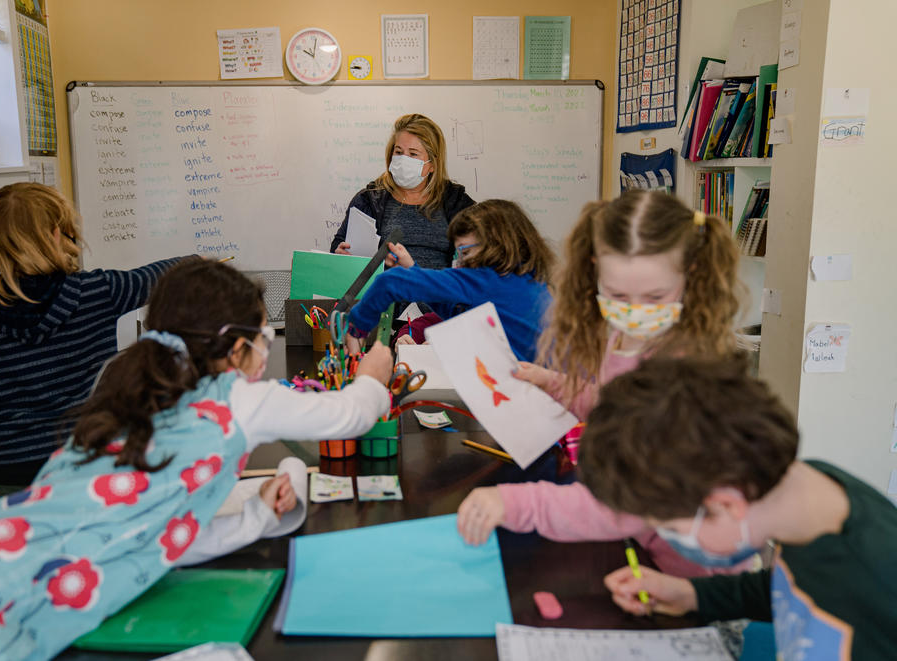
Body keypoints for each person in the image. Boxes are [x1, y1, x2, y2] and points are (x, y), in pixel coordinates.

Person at [0, 258, 393, 660]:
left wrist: (255, 517)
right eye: (264, 338)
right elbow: (350, 414)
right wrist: (374, 371)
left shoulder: (123, 377)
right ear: (240, 347)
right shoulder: (239, 401)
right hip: (17, 605)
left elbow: (152, 532)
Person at [457, 190, 748, 578]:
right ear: (594, 270)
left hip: (703, 573)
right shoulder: (624, 334)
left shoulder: (688, 368)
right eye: (617, 295)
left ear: (692, 275)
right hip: (651, 550)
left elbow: (629, 500)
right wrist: (556, 384)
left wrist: (517, 504)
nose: (634, 310)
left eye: (655, 296)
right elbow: (615, 404)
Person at [584, 357, 897, 661]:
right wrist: (691, 594)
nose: (668, 538)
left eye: (672, 529)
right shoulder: (803, 496)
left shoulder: (875, 580)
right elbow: (790, 586)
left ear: (726, 504)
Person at [0, 183, 185, 496]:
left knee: (33, 542)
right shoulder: (96, 291)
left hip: (16, 469)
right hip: (90, 456)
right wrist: (199, 261)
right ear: (55, 235)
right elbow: (155, 277)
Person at [346, 199, 553, 362]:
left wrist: (357, 329)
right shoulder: (529, 281)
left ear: (498, 244)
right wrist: (413, 270)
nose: (460, 263)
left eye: (466, 252)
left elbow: (389, 283)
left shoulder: (485, 280)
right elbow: (459, 313)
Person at [330, 113, 475, 270]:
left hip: (439, 292)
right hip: (386, 291)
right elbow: (339, 247)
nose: (404, 159)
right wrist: (341, 255)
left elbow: (481, 253)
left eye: (413, 154)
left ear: (432, 164)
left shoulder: (455, 200)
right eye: (398, 152)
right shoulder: (369, 199)